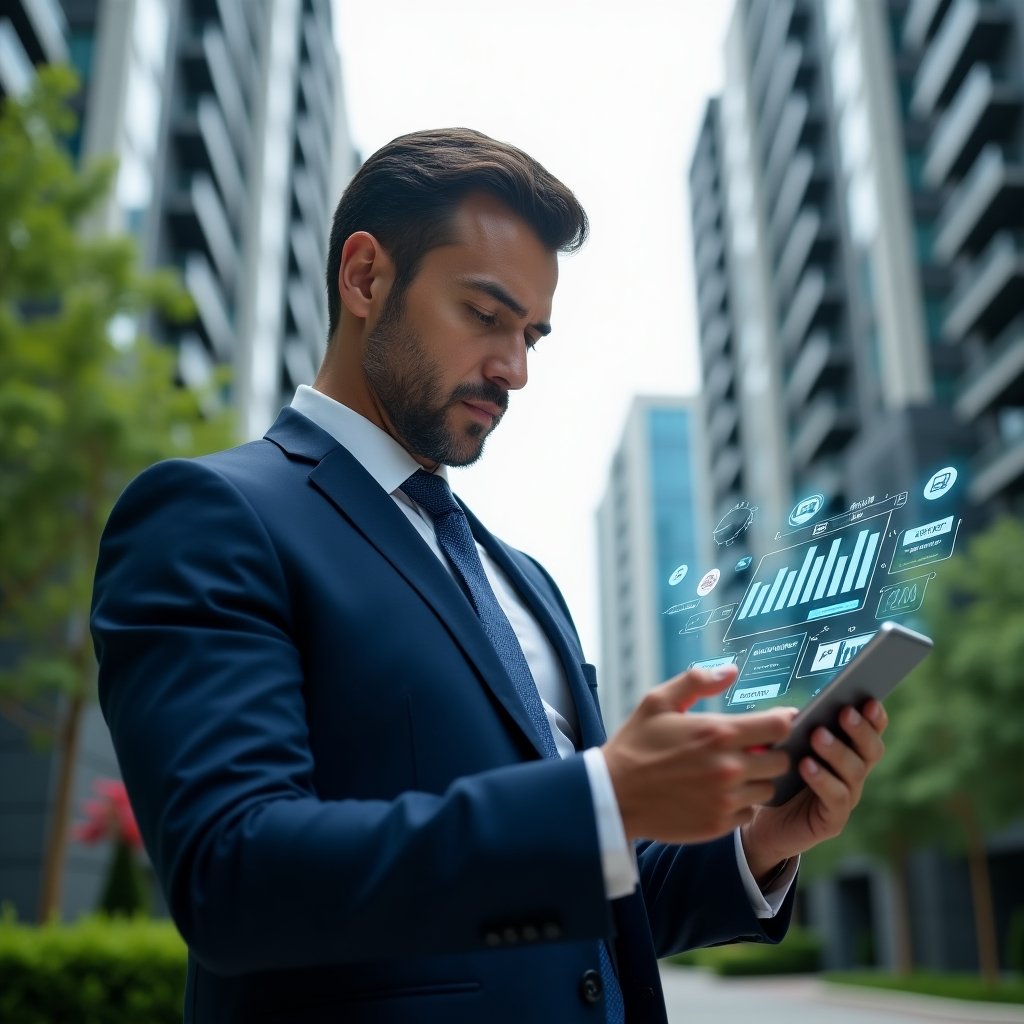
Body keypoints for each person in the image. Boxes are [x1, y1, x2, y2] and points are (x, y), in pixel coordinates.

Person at [91, 128, 887, 1024]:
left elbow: (575, 927)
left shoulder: (526, 582)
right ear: (365, 278)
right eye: (484, 315)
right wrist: (601, 800)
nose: (515, 369)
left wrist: (758, 842)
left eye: (531, 336)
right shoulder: (213, 515)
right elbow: (233, 878)